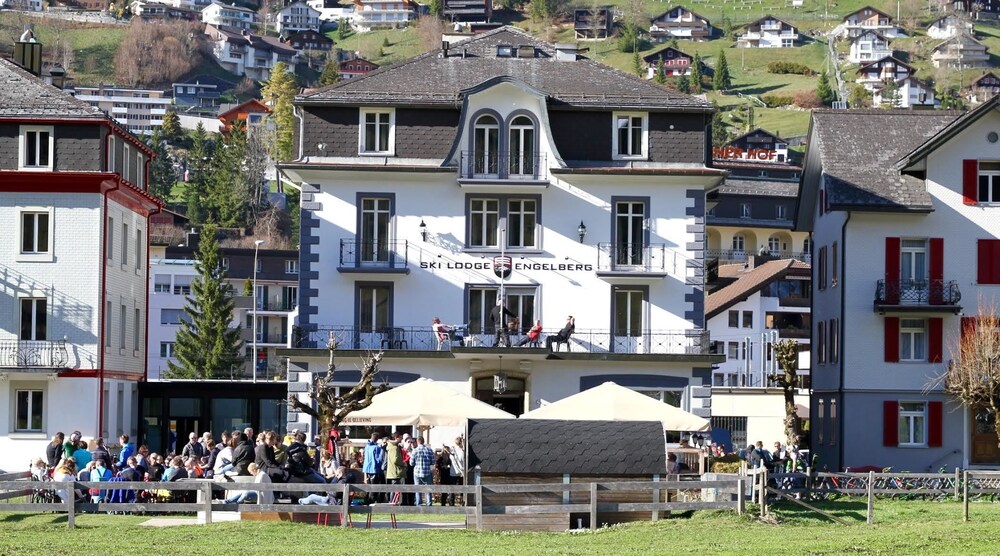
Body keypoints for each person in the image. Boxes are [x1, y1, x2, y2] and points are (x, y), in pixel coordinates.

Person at [411, 437, 435, 507]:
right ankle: (429, 504)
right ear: (423, 441)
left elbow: (411, 463)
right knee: (428, 490)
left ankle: (419, 504)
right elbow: (433, 462)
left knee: (418, 489)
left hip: (417, 472)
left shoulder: (415, 451)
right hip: (427, 471)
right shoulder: (429, 450)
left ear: (418, 442)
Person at [362, 433, 385, 502]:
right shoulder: (377, 447)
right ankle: (372, 501)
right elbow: (379, 459)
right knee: (375, 487)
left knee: (369, 487)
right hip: (375, 469)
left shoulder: (367, 446)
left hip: (367, 469)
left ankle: (366, 501)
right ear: (377, 439)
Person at [384, 433, 405, 503]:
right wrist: (403, 464)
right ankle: (393, 503)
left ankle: (392, 502)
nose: (401, 439)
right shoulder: (394, 447)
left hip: (392, 470)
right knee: (394, 488)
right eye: (400, 438)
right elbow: (395, 459)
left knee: (393, 488)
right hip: (395, 471)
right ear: (396, 437)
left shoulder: (391, 445)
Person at [449, 436, 466, 506]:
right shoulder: (463, 451)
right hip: (461, 472)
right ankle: (462, 502)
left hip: (453, 472)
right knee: (462, 488)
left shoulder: (452, 451)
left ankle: (451, 503)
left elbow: (450, 459)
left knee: (452, 489)